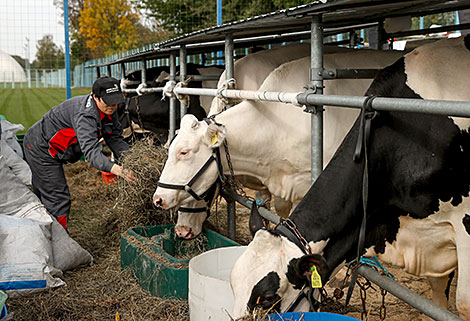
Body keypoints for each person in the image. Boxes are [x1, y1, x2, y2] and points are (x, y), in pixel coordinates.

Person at [24, 76, 134, 229]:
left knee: (47, 196)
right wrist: (119, 170)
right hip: (41, 148)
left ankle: (40, 230)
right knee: (58, 198)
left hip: (59, 149)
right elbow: (91, 153)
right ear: (95, 97)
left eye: (116, 101)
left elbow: (114, 138)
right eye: (108, 101)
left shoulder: (110, 109)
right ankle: (59, 241)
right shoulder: (85, 115)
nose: (113, 106)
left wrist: (132, 160)